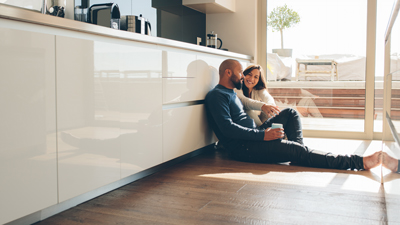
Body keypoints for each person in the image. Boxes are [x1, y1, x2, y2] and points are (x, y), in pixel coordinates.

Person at [205, 58, 381, 171]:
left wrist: (262, 131)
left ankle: (298, 154)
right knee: (296, 150)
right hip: (244, 148)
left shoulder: (233, 93)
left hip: (255, 136)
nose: (243, 77)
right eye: (240, 73)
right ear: (228, 73)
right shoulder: (216, 96)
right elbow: (227, 129)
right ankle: (358, 162)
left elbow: (251, 103)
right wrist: (263, 136)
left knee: (291, 113)